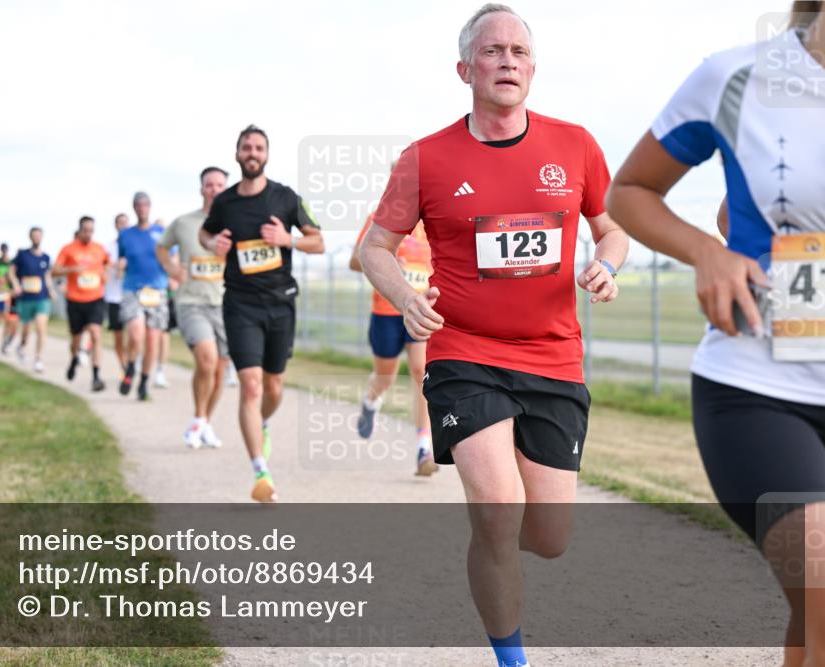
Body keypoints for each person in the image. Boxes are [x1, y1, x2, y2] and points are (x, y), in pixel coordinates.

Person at [359, 6, 628, 666]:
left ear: (533, 69)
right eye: (491, 50)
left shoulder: (577, 145)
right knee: (499, 508)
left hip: (553, 357)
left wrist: (608, 263)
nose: (507, 60)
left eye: (518, 51)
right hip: (464, 351)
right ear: (465, 69)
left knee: (550, 534)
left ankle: (493, 541)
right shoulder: (425, 157)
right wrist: (404, 298)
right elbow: (374, 248)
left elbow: (613, 228)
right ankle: (512, 657)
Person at [606, 4, 824, 664]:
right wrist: (708, 251)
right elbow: (632, 189)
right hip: (758, 387)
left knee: (813, 613)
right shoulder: (738, 77)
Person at [200, 125, 325, 503]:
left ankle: (263, 422)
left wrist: (288, 239)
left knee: (273, 387)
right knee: (251, 384)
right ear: (237, 154)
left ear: (266, 154)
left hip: (280, 303)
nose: (252, 153)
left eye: (258, 147)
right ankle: (261, 472)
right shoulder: (224, 203)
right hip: (240, 303)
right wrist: (214, 243)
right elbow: (206, 235)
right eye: (246, 147)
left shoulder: (286, 197)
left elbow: (318, 242)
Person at [351, 207, 438, 477]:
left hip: (421, 308)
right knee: (385, 377)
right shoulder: (379, 217)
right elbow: (356, 262)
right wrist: (386, 262)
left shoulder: (433, 219)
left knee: (420, 371)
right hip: (386, 312)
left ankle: (424, 447)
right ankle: (371, 401)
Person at [159, 166, 230, 449]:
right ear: (202, 189)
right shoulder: (184, 222)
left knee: (220, 370)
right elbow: (162, 248)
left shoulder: (235, 223)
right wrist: (171, 267)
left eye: (220, 185)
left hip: (224, 303)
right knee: (207, 360)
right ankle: (199, 418)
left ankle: (205, 423)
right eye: (210, 185)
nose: (214, 189)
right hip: (191, 302)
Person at [117, 192, 171, 400]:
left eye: (145, 205)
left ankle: (144, 382)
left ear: (150, 207)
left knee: (151, 339)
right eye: (138, 205)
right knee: (137, 333)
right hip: (133, 289)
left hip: (157, 290)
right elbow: (122, 257)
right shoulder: (126, 235)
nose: (141, 208)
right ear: (134, 208)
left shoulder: (161, 233)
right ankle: (131, 367)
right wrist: (121, 265)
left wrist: (174, 272)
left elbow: (170, 257)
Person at [53, 216, 109, 392]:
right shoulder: (68, 249)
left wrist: (105, 275)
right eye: (85, 230)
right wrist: (72, 269)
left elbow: (107, 264)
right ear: (79, 230)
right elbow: (55, 271)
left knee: (95, 333)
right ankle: (73, 359)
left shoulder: (99, 249)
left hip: (95, 298)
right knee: (76, 339)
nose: (88, 234)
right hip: (75, 300)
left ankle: (96, 376)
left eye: (91, 230)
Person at [8, 227, 54, 373]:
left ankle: (38, 359)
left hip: (41, 297)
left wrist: (51, 289)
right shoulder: (22, 255)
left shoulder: (45, 257)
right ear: (30, 237)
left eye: (39, 236)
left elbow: (47, 276)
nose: (37, 238)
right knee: (26, 330)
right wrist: (15, 285)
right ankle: (22, 347)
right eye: (34, 236)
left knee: (41, 327)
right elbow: (11, 272)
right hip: (26, 298)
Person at [105, 214, 130, 371]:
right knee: (119, 336)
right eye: (120, 223)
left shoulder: (133, 245)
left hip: (131, 296)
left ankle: (132, 362)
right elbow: (104, 268)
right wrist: (115, 267)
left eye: (126, 224)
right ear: (116, 225)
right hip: (114, 297)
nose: (123, 226)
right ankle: (124, 366)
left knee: (135, 334)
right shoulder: (109, 247)